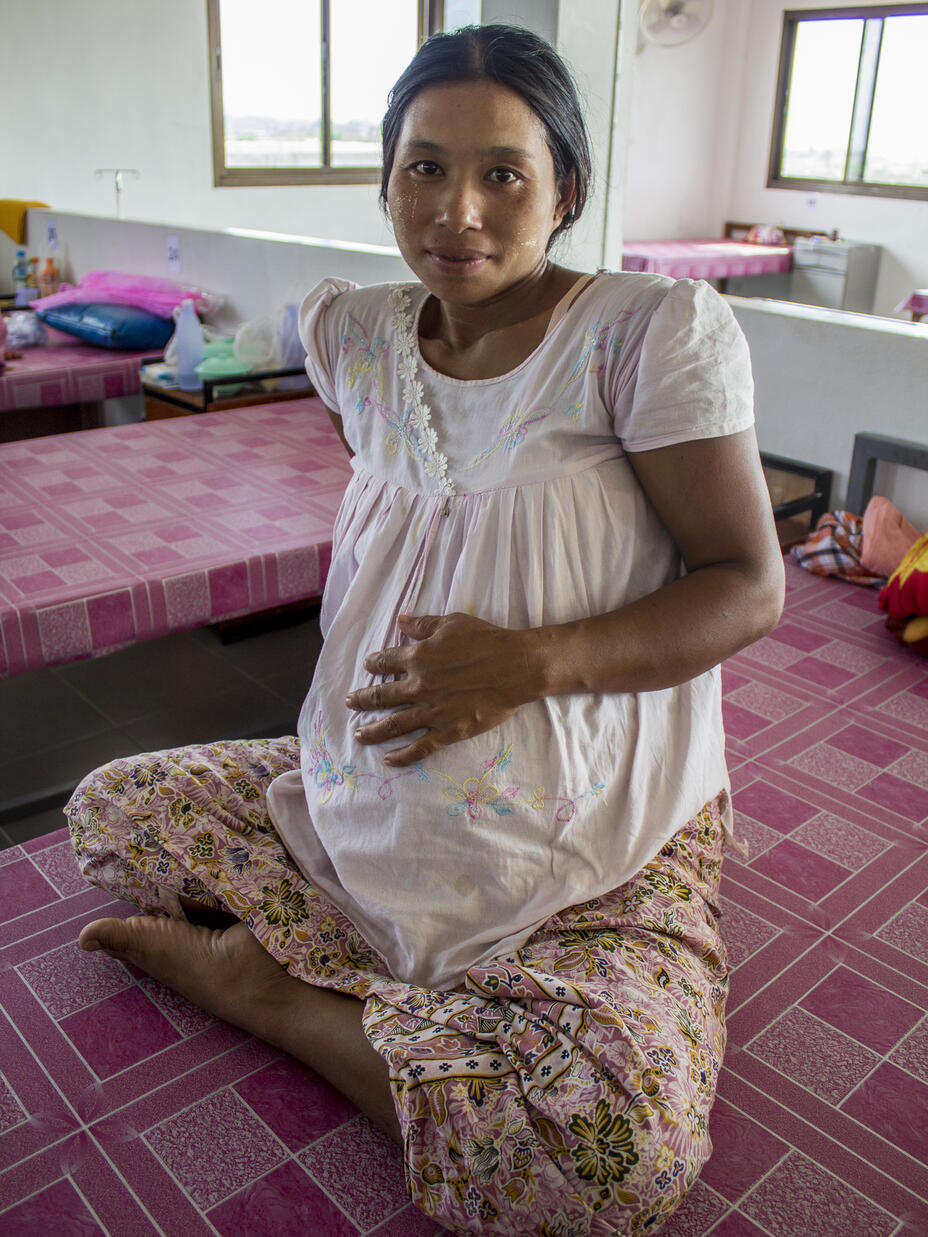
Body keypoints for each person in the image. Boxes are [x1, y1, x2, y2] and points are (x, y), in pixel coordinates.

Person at [68, 24, 784, 1236]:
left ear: (567, 190)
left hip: (585, 836)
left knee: (612, 1154)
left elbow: (746, 584)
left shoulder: (644, 336)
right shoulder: (351, 336)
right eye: (424, 167)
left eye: (504, 172)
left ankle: (286, 998)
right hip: (361, 794)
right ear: (386, 178)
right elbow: (412, 509)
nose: (459, 210)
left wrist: (526, 660)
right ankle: (420, 998)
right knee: (108, 814)